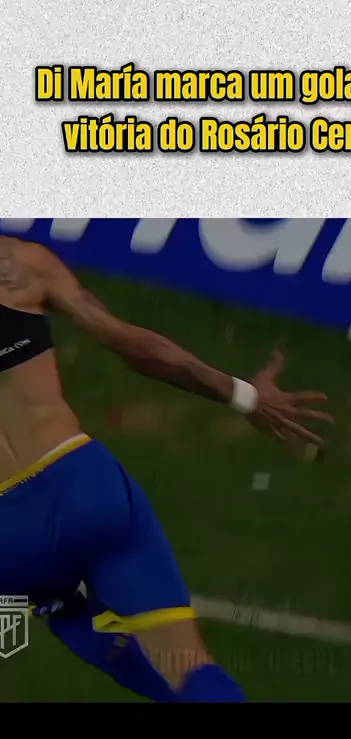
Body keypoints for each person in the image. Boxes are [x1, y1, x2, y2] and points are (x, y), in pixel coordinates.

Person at [0, 234, 332, 702]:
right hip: (82, 484)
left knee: (64, 608)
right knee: (188, 667)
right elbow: (135, 346)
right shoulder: (18, 264)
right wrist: (245, 396)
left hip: (9, 535)